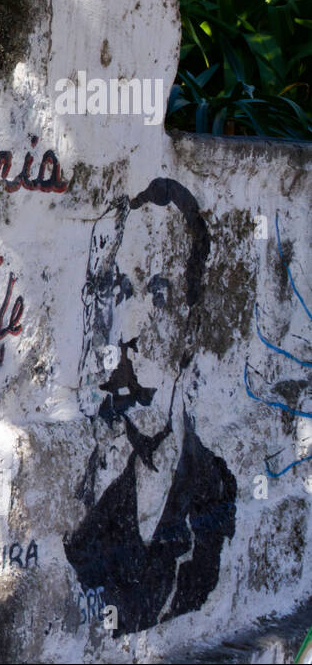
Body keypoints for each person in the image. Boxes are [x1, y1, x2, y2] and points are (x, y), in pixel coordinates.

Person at [66, 178, 237, 635]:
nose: (132, 326)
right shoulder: (89, 510)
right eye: (122, 291)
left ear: (191, 325)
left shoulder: (214, 493)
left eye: (157, 294)